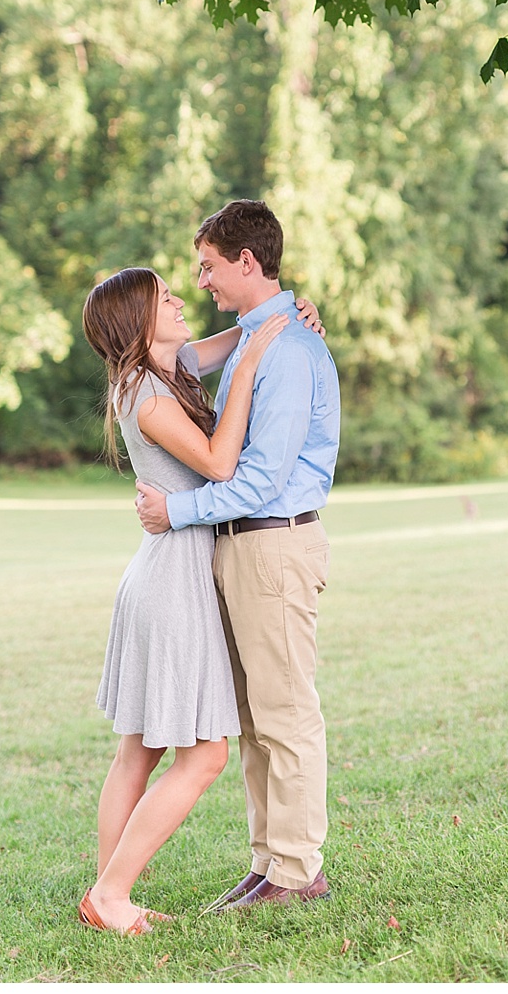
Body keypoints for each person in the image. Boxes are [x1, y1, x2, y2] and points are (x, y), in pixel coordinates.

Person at [134, 199, 342, 913]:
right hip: (245, 548)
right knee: (256, 718)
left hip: (273, 543)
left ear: (246, 262)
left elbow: (260, 477)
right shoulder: (265, 336)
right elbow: (190, 357)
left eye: (209, 266)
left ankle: (296, 870)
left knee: (284, 714)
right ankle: (270, 863)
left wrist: (175, 511)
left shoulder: (285, 349)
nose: (201, 282)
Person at [78, 267, 291, 934]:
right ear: (140, 324)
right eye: (164, 297)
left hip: (159, 572)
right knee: (205, 755)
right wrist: (253, 366)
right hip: (174, 583)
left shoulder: (168, 367)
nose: (179, 299)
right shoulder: (147, 391)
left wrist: (273, 315)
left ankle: (108, 896)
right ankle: (110, 896)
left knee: (137, 752)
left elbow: (225, 339)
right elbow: (220, 463)